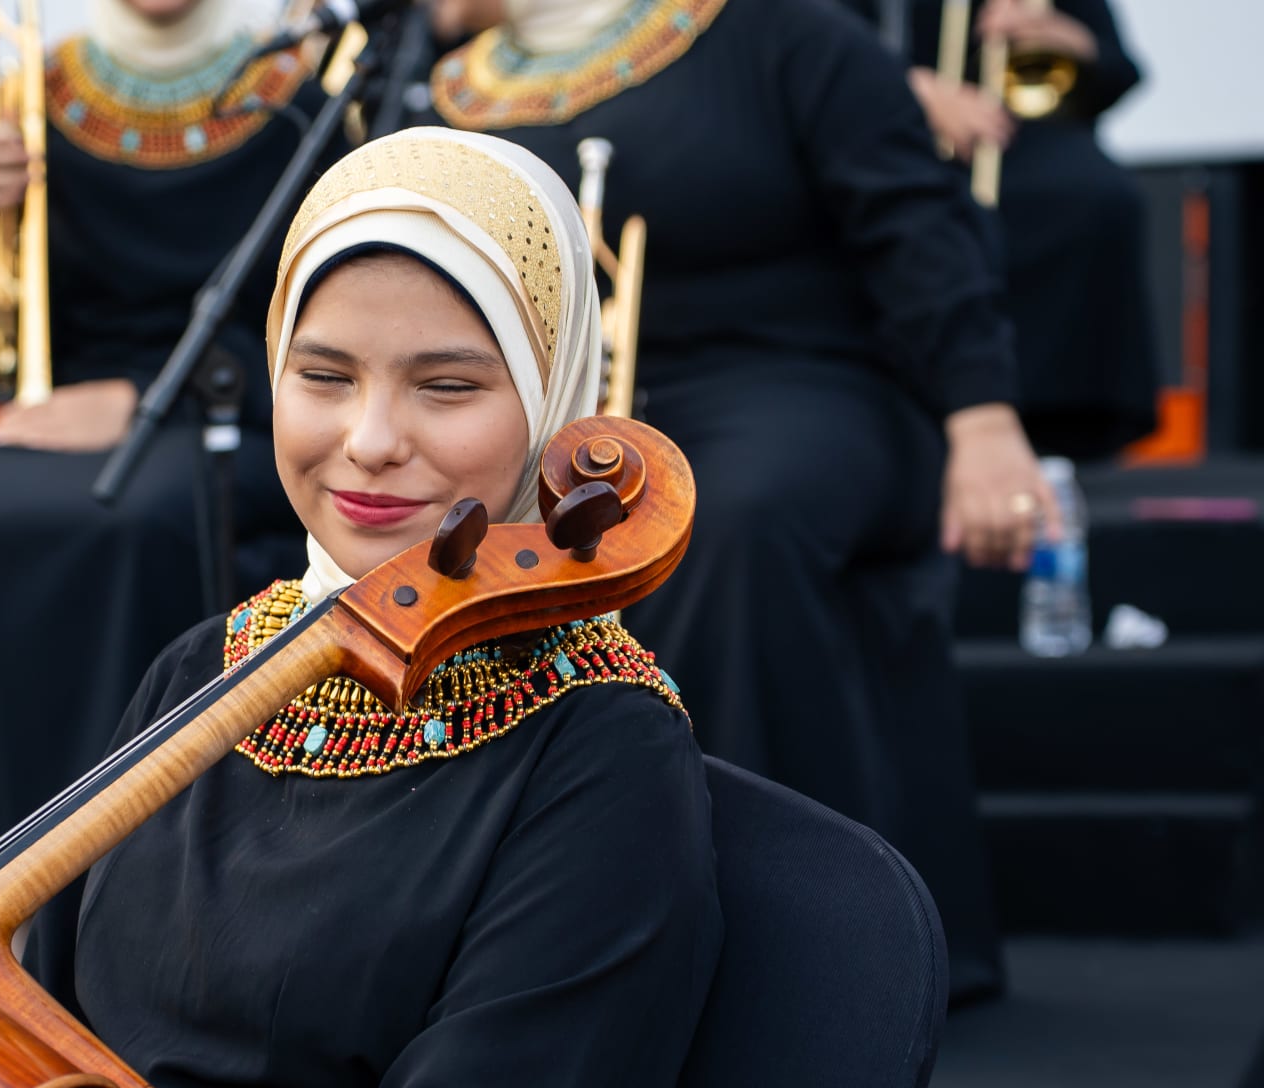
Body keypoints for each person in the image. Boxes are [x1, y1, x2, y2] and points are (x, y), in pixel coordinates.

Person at [27, 127, 722, 1088]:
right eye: (324, 375)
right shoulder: (209, 668)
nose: (371, 442)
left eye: (447, 385)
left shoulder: (605, 758)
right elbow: (20, 1022)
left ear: (553, 395)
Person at [422, 0, 1048, 1001]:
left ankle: (777, 943)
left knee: (723, 517)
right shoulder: (434, 85)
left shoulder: (786, 33)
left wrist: (983, 418)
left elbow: (919, 229)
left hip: (806, 387)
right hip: (570, 419)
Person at [0, 0, 335, 912]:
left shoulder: (302, 93)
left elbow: (313, 314)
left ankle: (116, 893)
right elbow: (0, 345)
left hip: (236, 411)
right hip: (82, 414)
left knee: (129, 521)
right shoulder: (34, 91)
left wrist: (142, 397)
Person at [885, 0, 1158, 458]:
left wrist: (1068, 39)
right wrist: (916, 89)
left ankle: (1066, 429)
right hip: (898, 127)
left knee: (1099, 197)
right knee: (929, 213)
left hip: (1023, 132)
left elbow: (1118, 71)